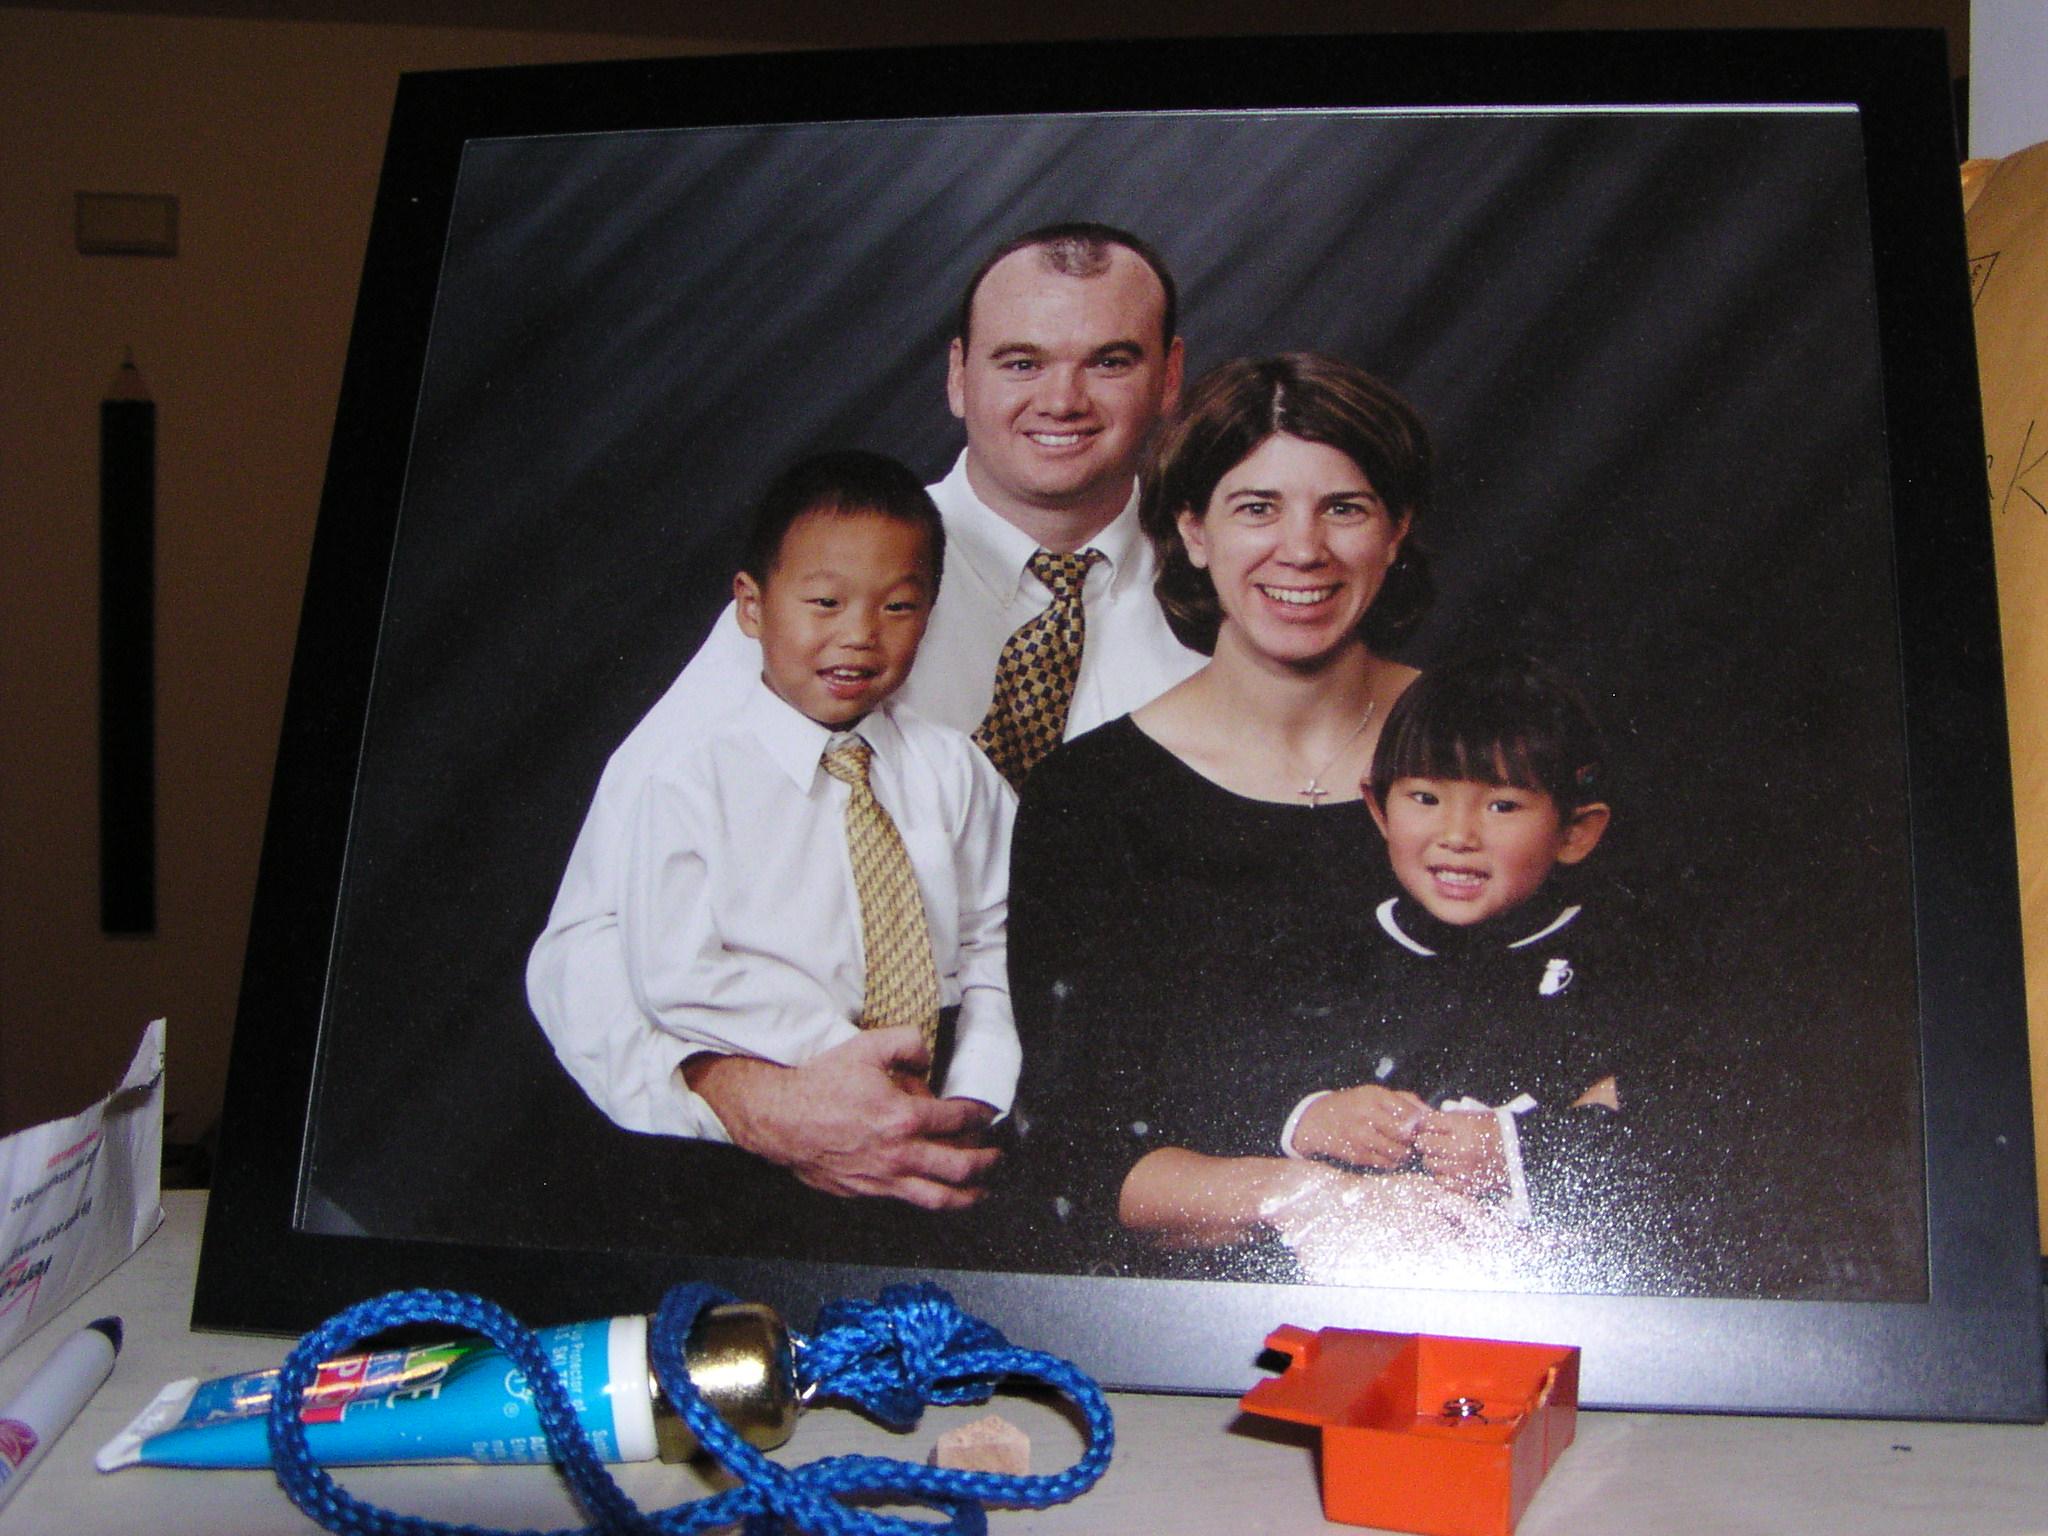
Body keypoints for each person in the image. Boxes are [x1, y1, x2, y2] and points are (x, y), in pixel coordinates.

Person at [528, 224, 1200, 1203]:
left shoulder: (1231, 598)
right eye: (1020, 361)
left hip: (1117, 1159)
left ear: (1170, 376)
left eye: (1110, 360)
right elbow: (588, 939)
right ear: (959, 376)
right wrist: (752, 1099)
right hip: (812, 1157)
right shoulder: (826, 584)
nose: (1061, 400)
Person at [1009, 352, 1471, 1279]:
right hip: (1192, 1314)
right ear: (1193, 530)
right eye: (1257, 507)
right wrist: (1317, 1200)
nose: (1302, 549)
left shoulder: (1499, 752)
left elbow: (1622, 1075)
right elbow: (1074, 1160)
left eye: (1344, 508)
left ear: (1397, 531)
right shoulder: (1088, 798)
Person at [539, 449, 1019, 1208]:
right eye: (825, 603)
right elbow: (675, 976)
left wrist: (979, 1089)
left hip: (941, 1099)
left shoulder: (953, 768)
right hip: (764, 1115)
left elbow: (1000, 935)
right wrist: (838, 1056)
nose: (860, 634)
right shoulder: (687, 778)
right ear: (751, 608)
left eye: (898, 607)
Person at [1285, 651, 1626, 1231]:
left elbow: (1664, 1135)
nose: (1458, 836)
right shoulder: (1333, 953)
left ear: (1574, 832)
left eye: (1502, 805)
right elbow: (1238, 1084)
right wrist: (1313, 1117)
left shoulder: (1619, 965)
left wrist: (1516, 1153)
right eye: (1425, 798)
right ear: (1378, 808)